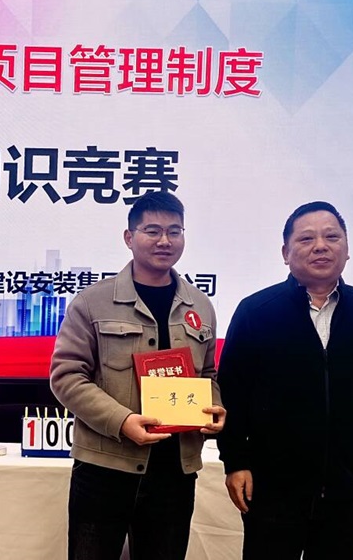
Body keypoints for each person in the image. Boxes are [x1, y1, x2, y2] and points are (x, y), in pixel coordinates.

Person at [217, 201, 353, 560]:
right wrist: (235, 461)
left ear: (347, 249)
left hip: (347, 490)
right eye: (306, 239)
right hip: (272, 488)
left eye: (331, 237)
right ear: (285, 253)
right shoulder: (256, 312)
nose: (321, 246)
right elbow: (231, 394)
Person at [50, 191, 226, 560]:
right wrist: (123, 421)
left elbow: (208, 372)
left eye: (174, 231)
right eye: (153, 231)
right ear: (129, 237)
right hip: (105, 467)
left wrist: (213, 406)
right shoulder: (92, 302)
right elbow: (67, 377)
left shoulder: (200, 305)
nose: (165, 241)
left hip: (175, 471)